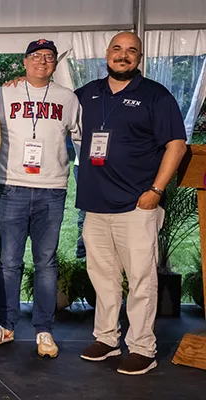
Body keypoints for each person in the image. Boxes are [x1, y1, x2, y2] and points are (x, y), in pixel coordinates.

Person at [74, 32, 186, 375]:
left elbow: (177, 145)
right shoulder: (86, 94)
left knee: (141, 280)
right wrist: (23, 81)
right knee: (103, 277)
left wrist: (156, 190)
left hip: (137, 205)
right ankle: (107, 338)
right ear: (107, 53)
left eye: (131, 51)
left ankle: (142, 348)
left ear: (139, 58)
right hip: (95, 204)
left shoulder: (156, 95)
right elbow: (51, 104)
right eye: (117, 49)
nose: (123, 55)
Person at [0, 39, 81, 358]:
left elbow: (82, 138)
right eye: (36, 56)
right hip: (12, 186)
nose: (42, 61)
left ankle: (44, 330)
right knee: (9, 262)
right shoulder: (3, 94)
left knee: (46, 263)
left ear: (55, 64)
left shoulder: (68, 98)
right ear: (24, 61)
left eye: (49, 57)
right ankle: (6, 326)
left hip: (51, 190)